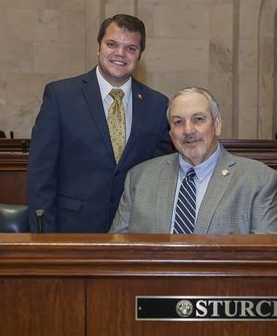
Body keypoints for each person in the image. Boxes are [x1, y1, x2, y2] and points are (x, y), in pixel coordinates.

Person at [28, 14, 173, 233]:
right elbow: (41, 174)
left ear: (139, 55)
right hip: (71, 232)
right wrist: (45, 239)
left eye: (131, 48)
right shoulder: (61, 96)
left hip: (135, 233)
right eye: (112, 44)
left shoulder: (157, 104)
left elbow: (161, 175)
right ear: (99, 47)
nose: (120, 54)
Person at [109, 87, 277, 234]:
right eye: (178, 122)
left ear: (217, 125)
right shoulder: (139, 178)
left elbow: (265, 258)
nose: (188, 130)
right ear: (170, 133)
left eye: (198, 119)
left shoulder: (258, 180)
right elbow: (116, 251)